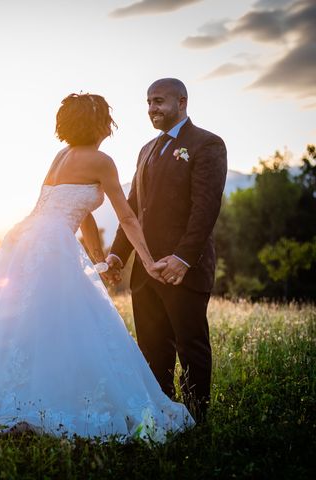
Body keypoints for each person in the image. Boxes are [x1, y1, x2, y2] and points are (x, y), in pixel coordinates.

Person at [0, 93, 194, 441]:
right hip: (49, 242)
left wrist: (99, 259)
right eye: (107, 118)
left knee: (27, 323)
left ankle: (20, 399)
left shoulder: (62, 157)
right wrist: (148, 262)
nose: (111, 124)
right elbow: (127, 216)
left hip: (24, 235)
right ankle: (39, 404)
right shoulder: (102, 161)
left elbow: (81, 210)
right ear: (100, 123)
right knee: (60, 322)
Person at [105, 78, 227, 419]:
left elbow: (206, 208)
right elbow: (132, 207)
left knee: (191, 346)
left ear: (182, 102)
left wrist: (183, 258)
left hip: (183, 270)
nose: (152, 109)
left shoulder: (207, 144)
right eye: (148, 102)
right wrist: (118, 253)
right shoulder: (146, 149)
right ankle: (163, 418)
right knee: (152, 350)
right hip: (145, 272)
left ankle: (196, 420)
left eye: (159, 101)